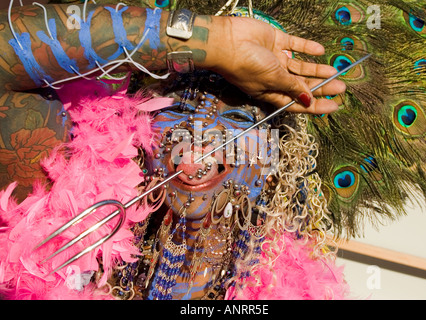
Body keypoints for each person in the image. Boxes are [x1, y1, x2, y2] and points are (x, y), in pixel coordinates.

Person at [0, 1, 348, 300]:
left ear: (278, 159)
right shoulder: (67, 228)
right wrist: (216, 41)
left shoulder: (289, 287)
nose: (198, 134)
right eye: (178, 109)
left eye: (239, 116)